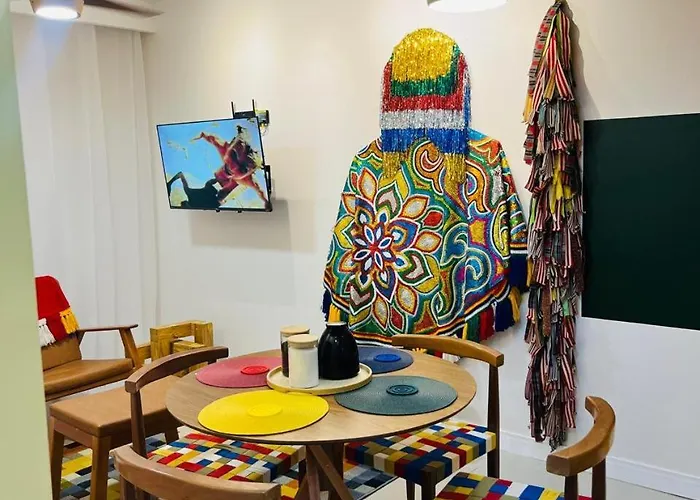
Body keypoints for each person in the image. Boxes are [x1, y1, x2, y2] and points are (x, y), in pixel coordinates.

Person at [194, 125, 268, 204]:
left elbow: (260, 191)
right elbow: (205, 135)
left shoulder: (246, 179)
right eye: (233, 155)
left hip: (235, 179)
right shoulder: (224, 149)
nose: (233, 167)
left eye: (243, 169)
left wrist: (266, 202)